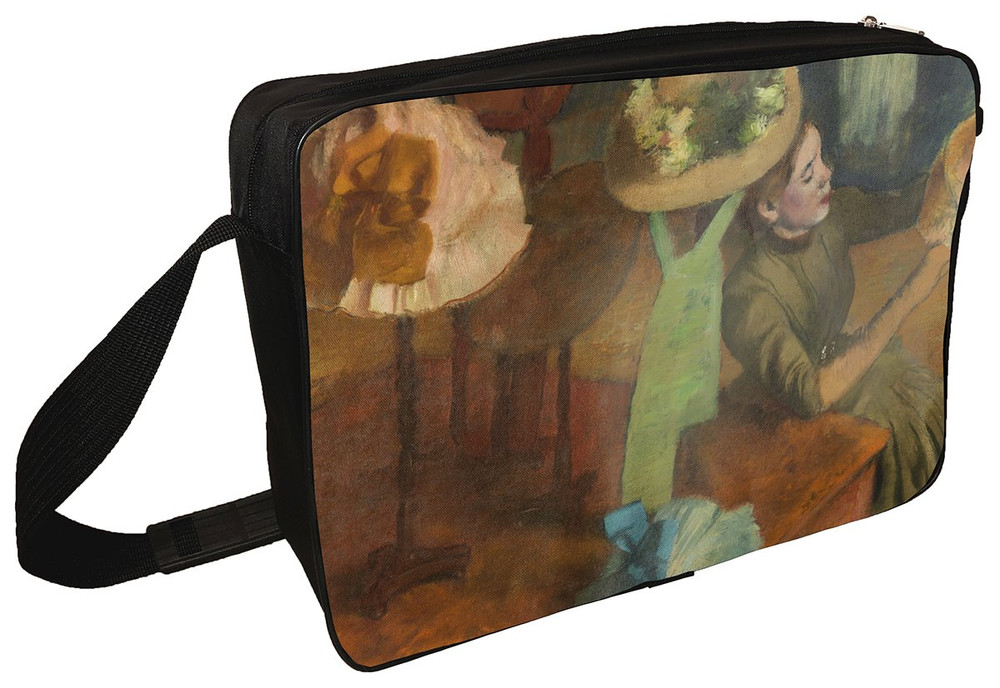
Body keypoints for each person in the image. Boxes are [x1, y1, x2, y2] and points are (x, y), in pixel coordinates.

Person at [720, 116, 970, 514]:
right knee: (903, 431)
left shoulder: (830, 219)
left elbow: (900, 204)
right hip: (785, 413)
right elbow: (810, 394)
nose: (827, 174)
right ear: (768, 206)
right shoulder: (747, 296)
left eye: (821, 158)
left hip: (835, 363)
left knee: (926, 401)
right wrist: (913, 291)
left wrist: (952, 167)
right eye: (809, 173)